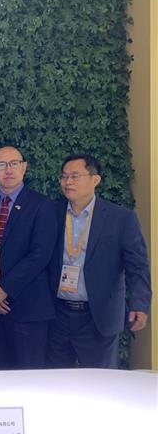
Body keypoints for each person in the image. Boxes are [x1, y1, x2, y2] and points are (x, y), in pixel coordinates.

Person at [47, 154, 151, 368]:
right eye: (64, 176)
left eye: (75, 176)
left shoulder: (120, 218)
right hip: (58, 315)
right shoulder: (51, 213)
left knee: (101, 380)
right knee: (57, 380)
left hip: (98, 316)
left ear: (95, 180)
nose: (68, 182)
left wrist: (139, 303)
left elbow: (137, 266)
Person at [0, 145, 56, 369]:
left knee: (30, 376)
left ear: (24, 167)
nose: (8, 170)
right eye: (1, 165)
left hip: (28, 308)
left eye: (14, 163)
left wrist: (4, 288)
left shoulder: (42, 206)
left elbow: (40, 254)